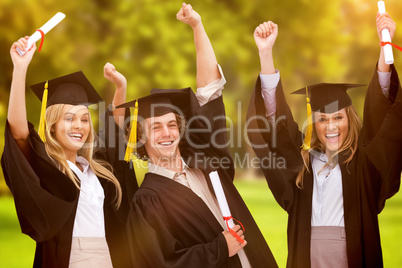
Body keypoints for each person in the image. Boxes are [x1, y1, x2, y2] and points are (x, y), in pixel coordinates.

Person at [118, 3, 278, 268]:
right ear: (140, 137)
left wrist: (197, 26)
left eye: (171, 124)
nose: (166, 133)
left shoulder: (208, 165)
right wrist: (218, 249)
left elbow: (209, 93)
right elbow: (158, 264)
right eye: (155, 127)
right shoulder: (146, 201)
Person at [246, 12, 402, 268]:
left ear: (349, 119)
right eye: (322, 119)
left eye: (338, 117)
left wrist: (385, 46)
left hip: (354, 255)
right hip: (307, 255)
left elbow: (383, 120)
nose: (331, 126)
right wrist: (265, 54)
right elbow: (276, 125)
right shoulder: (302, 163)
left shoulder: (363, 161)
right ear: (313, 124)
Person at [1, 37, 135, 267]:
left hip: (106, 258)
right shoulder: (47, 168)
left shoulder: (95, 166)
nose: (78, 126)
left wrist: (120, 87)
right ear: (52, 124)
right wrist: (20, 68)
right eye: (69, 118)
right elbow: (19, 134)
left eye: (84, 119)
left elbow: (115, 128)